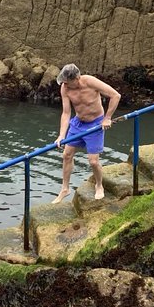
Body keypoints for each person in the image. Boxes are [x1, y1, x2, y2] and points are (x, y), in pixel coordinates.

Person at [53, 63, 121, 203]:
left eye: (67, 82)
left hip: (95, 124)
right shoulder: (64, 88)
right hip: (78, 123)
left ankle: (99, 185)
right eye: (63, 82)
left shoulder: (90, 81)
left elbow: (115, 95)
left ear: (76, 78)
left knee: (93, 161)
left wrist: (107, 118)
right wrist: (61, 135)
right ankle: (65, 189)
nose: (64, 84)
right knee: (66, 155)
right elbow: (66, 113)